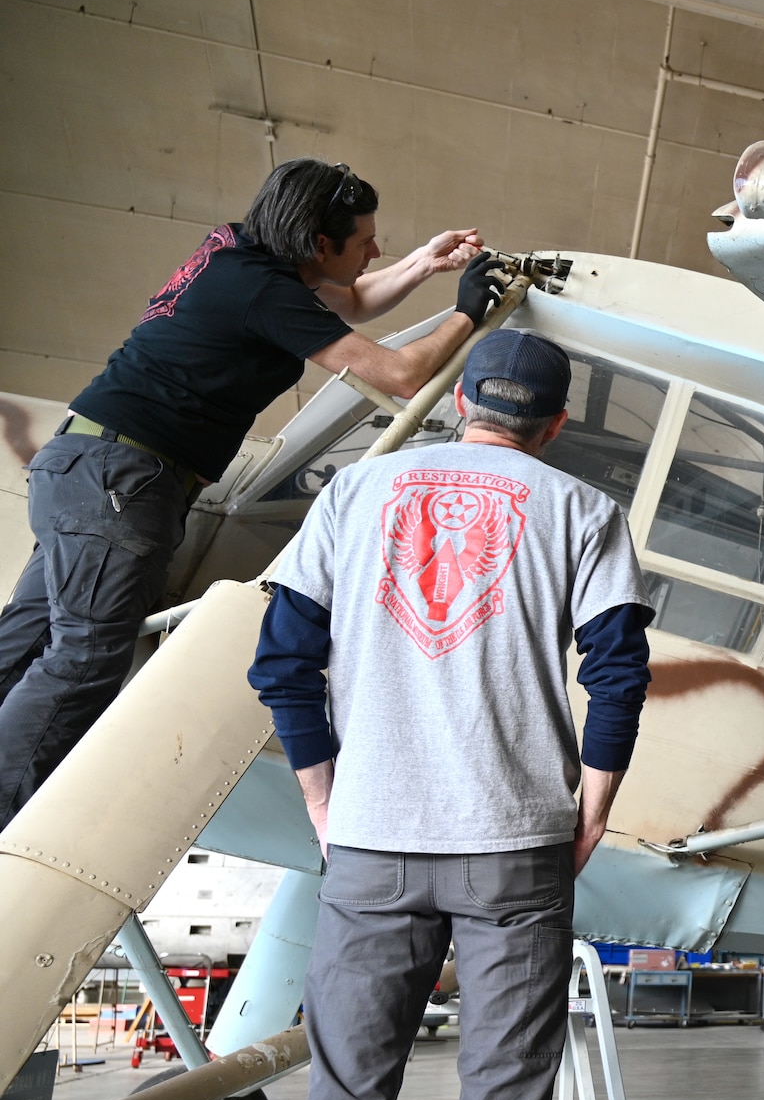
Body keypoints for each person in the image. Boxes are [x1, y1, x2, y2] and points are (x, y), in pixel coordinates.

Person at [249, 329, 654, 1100]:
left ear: (459, 398)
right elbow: (616, 672)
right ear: (553, 424)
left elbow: (283, 657)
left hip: (371, 844)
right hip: (516, 846)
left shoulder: (356, 492)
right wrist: (589, 810)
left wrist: (320, 798)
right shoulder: (583, 510)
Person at [0, 157, 508, 828]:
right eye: (363, 242)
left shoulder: (240, 252)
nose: (374, 249)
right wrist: (469, 311)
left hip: (86, 465)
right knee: (85, 659)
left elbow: (350, 300)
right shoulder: (263, 292)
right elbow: (401, 374)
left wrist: (422, 263)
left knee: (27, 639)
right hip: (120, 483)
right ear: (317, 245)